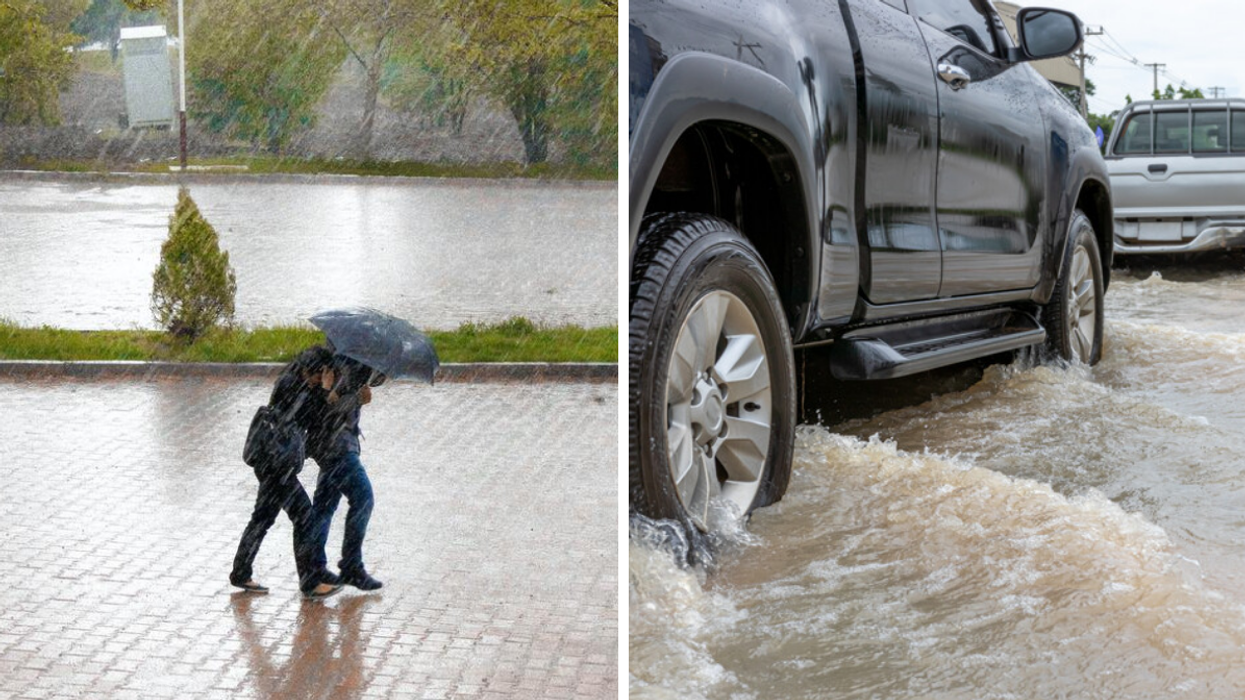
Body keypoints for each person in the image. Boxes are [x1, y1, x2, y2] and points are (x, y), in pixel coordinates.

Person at [231, 346, 343, 599]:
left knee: (262, 517)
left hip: (270, 462)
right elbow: (313, 418)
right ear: (311, 370)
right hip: (276, 466)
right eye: (322, 374)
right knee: (304, 516)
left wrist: (324, 393)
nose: (323, 379)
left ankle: (240, 572)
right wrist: (325, 393)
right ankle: (310, 582)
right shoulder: (295, 386)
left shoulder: (295, 382)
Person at [305, 354, 385, 591]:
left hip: (334, 445)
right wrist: (357, 399)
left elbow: (373, 381)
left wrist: (369, 384)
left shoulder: (355, 361)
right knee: (363, 498)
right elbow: (327, 410)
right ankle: (350, 565)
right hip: (337, 447)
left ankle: (314, 568)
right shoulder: (340, 364)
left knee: (324, 506)